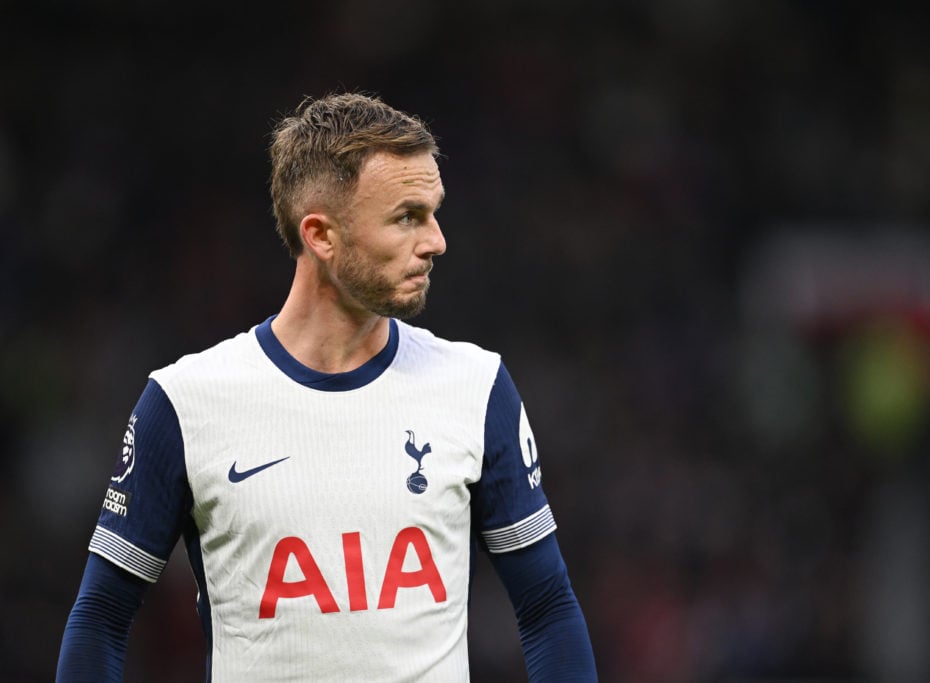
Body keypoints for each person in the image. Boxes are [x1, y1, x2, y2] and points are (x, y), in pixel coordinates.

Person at [56, 92, 598, 681]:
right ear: (321, 235)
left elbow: (547, 609)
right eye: (407, 216)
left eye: (434, 211)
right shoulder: (185, 403)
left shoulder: (476, 387)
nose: (437, 240)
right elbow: (101, 619)